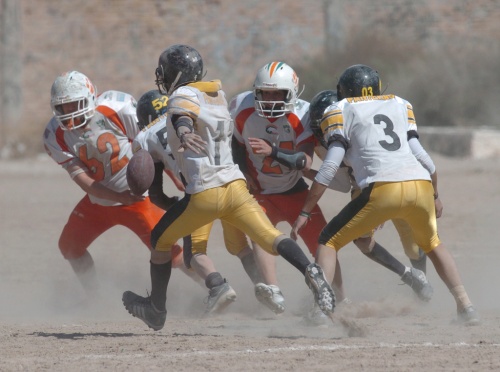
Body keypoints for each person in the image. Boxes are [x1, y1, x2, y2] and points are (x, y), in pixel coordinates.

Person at [122, 44, 334, 331]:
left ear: (174, 74)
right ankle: (311, 272)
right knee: (271, 236)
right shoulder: (217, 95)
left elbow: (180, 116)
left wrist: (183, 131)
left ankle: (156, 310)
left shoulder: (180, 98)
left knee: (160, 240)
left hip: (204, 192)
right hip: (235, 185)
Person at [291, 64, 480, 325]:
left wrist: (304, 211)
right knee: (434, 243)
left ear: (343, 91)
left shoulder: (339, 109)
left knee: (328, 241)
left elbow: (330, 167)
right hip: (421, 184)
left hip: (382, 189)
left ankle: (322, 313)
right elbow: (424, 158)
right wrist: (435, 194)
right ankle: (466, 306)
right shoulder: (400, 103)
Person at [43, 71, 194, 295]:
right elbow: (83, 179)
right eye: (63, 107)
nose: (70, 113)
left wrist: (173, 175)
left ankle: (212, 286)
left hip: (137, 198)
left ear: (90, 97)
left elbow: (154, 144)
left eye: (75, 104)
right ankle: (95, 297)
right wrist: (117, 197)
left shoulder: (117, 107)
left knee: (171, 253)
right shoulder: (54, 134)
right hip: (99, 201)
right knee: (69, 247)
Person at [133, 89, 274, 315]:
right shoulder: (191, 115)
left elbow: (155, 193)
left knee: (195, 253)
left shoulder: (148, 135)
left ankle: (217, 285)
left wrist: (174, 207)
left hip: (200, 192)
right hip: (230, 184)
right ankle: (269, 291)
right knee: (239, 247)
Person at [229, 62, 347, 323]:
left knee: (324, 242)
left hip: (295, 190)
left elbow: (304, 161)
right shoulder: (242, 107)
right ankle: (274, 291)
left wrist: (272, 152)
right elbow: (236, 145)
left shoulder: (302, 113)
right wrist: (243, 171)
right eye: (265, 93)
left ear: (291, 93)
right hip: (259, 192)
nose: (270, 100)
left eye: (277, 94)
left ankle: (338, 296)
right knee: (261, 236)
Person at [307, 89, 434, 301]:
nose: (324, 130)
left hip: (388, 181)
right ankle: (411, 277)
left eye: (326, 123)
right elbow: (341, 182)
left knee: (413, 246)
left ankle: (424, 283)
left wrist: (376, 204)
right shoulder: (327, 143)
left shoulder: (360, 128)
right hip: (365, 187)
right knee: (362, 240)